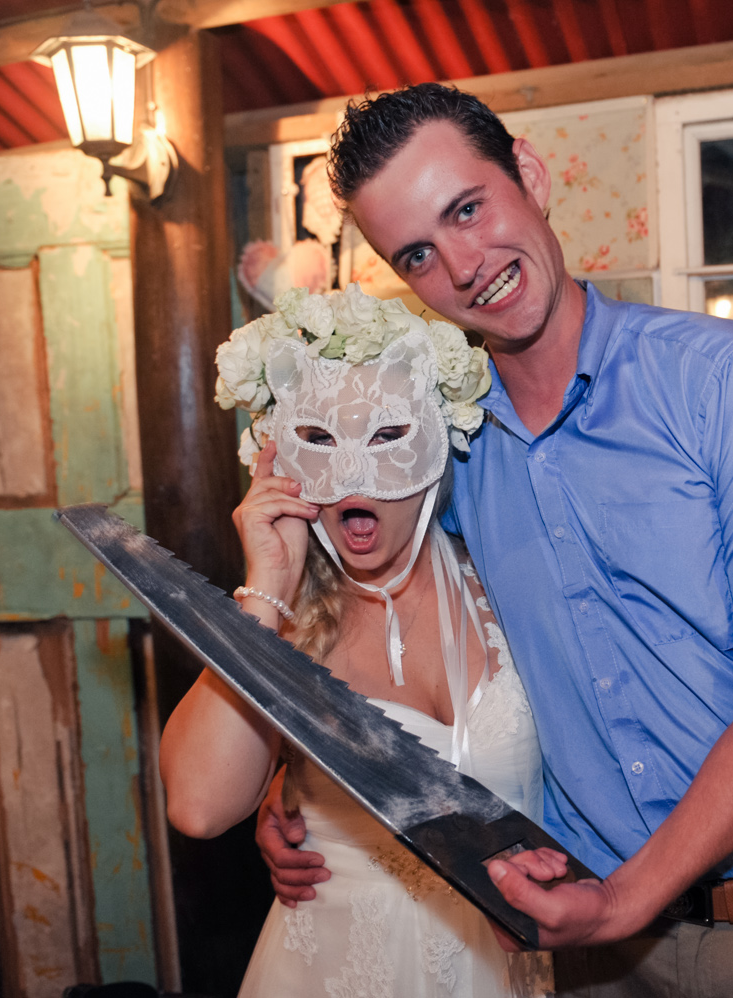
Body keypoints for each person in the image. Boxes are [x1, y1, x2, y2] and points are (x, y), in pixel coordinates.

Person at [256, 83, 733, 997]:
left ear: (530, 176)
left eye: (468, 208)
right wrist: (298, 785)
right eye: (417, 253)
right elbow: (388, 633)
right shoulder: (445, 452)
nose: (464, 264)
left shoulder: (724, 380)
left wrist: (622, 900)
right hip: (592, 953)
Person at [160, 288, 553, 998]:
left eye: (384, 437)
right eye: (319, 440)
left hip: (507, 963)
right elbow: (198, 805)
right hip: (330, 968)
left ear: (436, 442)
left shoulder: (513, 589)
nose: (351, 474)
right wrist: (266, 585)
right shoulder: (285, 622)